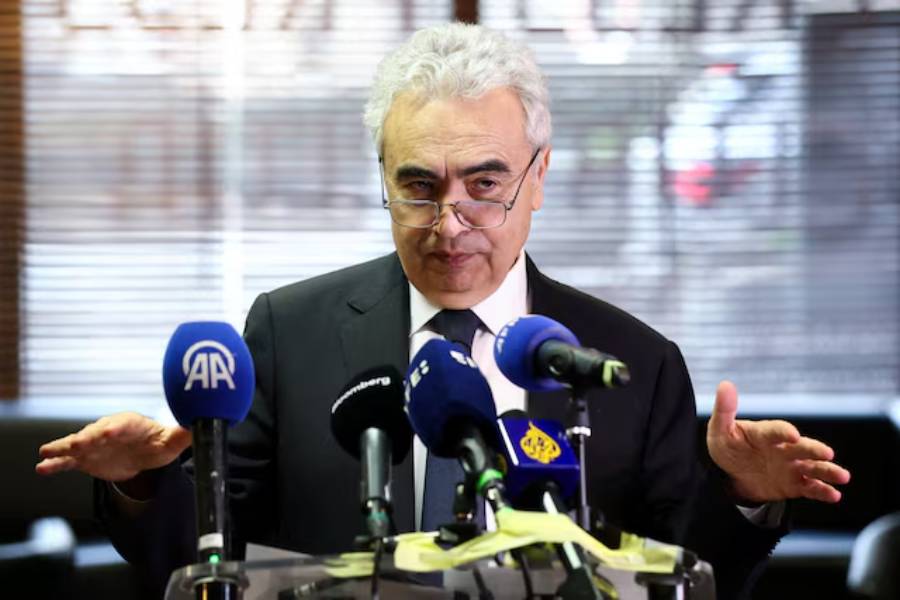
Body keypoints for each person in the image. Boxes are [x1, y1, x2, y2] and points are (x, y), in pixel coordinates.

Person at [36, 22, 850, 599]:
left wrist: (743, 496)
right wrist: (147, 485)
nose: (449, 220)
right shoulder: (289, 332)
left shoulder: (628, 359)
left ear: (538, 177)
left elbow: (687, 577)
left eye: (485, 185)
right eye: (419, 186)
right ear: (382, 178)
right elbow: (209, 563)